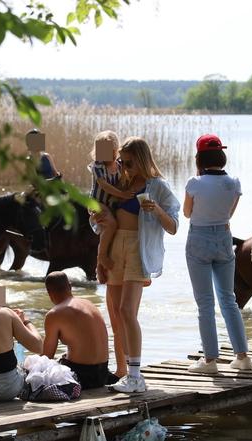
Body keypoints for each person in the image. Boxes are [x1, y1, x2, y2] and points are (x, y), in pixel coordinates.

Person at [106, 137, 179, 393]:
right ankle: (123, 372)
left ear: (142, 159)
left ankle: (136, 376)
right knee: (116, 314)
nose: (124, 166)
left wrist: (157, 209)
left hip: (139, 248)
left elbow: (173, 227)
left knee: (127, 311)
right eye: (121, 162)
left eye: (129, 162)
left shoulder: (158, 186)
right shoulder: (120, 181)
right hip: (115, 247)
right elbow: (102, 216)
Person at [183, 134, 252, 374]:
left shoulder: (194, 182)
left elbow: (187, 213)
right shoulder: (234, 183)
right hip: (224, 237)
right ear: (221, 155)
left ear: (199, 157)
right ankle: (242, 356)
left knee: (205, 303)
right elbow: (229, 214)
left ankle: (210, 360)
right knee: (229, 300)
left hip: (199, 239)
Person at [42, 271, 116, 389]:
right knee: (65, 355)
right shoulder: (89, 304)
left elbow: (46, 358)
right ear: (70, 287)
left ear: (49, 293)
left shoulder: (54, 314)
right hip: (103, 374)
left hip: (82, 377)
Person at [88, 131, 130, 284]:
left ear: (115, 150)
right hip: (97, 203)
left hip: (111, 203)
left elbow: (124, 180)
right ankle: (101, 257)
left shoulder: (119, 165)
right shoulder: (97, 166)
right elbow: (104, 185)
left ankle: (99, 266)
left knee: (109, 232)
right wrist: (122, 194)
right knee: (111, 224)